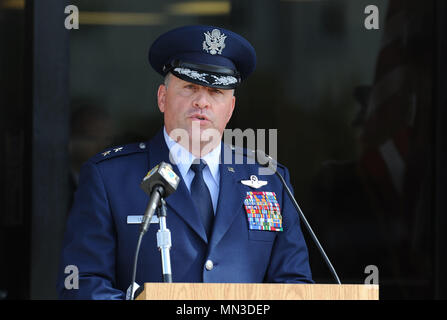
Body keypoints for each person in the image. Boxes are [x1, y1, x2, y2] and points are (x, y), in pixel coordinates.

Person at [57, 25, 313, 300]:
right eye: (190, 87)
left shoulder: (271, 180)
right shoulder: (109, 177)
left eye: (216, 92)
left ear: (231, 108)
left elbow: (293, 285)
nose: (202, 101)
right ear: (162, 98)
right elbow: (82, 284)